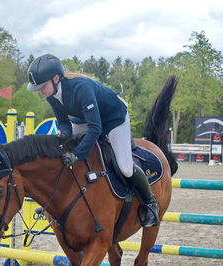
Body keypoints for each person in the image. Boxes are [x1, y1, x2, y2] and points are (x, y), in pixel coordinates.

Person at [26, 54, 159, 227]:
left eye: (42, 86)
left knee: (125, 168)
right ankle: (53, 201)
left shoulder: (81, 88)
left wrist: (77, 155)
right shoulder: (52, 96)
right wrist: (64, 141)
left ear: (56, 78)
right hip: (86, 119)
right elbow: (65, 124)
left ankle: (150, 203)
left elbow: (95, 128)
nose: (40, 91)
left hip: (113, 117)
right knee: (59, 147)